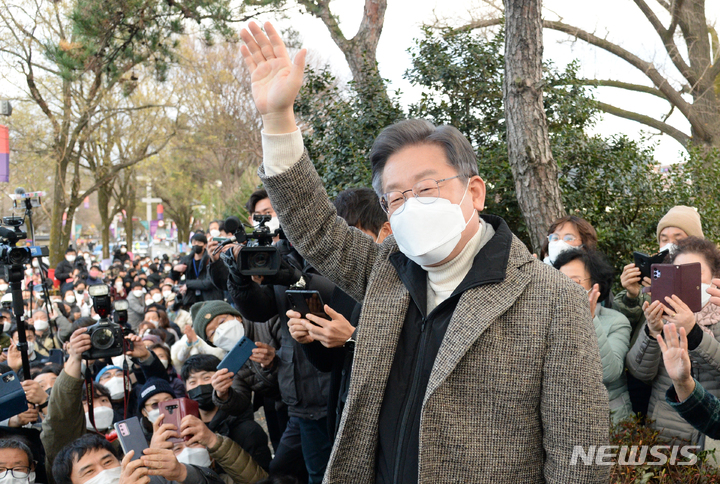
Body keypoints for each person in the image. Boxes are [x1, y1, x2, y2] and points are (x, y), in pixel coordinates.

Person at [239, 21, 609, 483]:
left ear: (474, 191)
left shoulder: (552, 302)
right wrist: (277, 120)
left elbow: (579, 455)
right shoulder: (386, 270)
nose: (411, 205)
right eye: (396, 196)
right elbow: (314, 228)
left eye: (427, 187)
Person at [288, 187, 391, 439]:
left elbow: (408, 360)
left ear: (385, 231)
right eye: (340, 240)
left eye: (353, 235)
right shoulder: (345, 285)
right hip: (344, 419)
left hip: (384, 424)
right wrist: (308, 339)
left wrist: (353, 339)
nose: (346, 249)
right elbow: (327, 363)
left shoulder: (408, 285)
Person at [626, 236, 720, 444]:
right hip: (663, 432)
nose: (687, 281)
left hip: (708, 438)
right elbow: (639, 372)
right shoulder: (661, 314)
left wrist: (693, 331)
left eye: (694, 272)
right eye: (679, 273)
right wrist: (652, 332)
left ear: (715, 276)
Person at [553, 249, 633, 423]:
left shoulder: (617, 321)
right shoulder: (549, 319)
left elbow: (609, 373)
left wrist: (589, 320)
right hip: (562, 419)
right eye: (559, 280)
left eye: (574, 282)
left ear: (595, 286)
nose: (565, 287)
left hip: (608, 419)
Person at [180, 354, 273, 471]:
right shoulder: (186, 432)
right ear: (186, 390)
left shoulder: (248, 431)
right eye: (192, 382)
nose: (200, 385)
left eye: (206, 378)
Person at [52, 432, 224, 484]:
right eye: (89, 471)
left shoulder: (157, 479)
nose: (104, 472)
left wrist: (182, 473)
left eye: (107, 462)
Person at [170, 233, 226, 308]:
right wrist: (174, 269)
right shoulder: (186, 260)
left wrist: (188, 284)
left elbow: (209, 282)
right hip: (192, 300)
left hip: (210, 299)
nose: (196, 244)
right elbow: (173, 278)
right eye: (193, 242)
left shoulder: (210, 259)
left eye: (199, 243)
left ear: (205, 245)